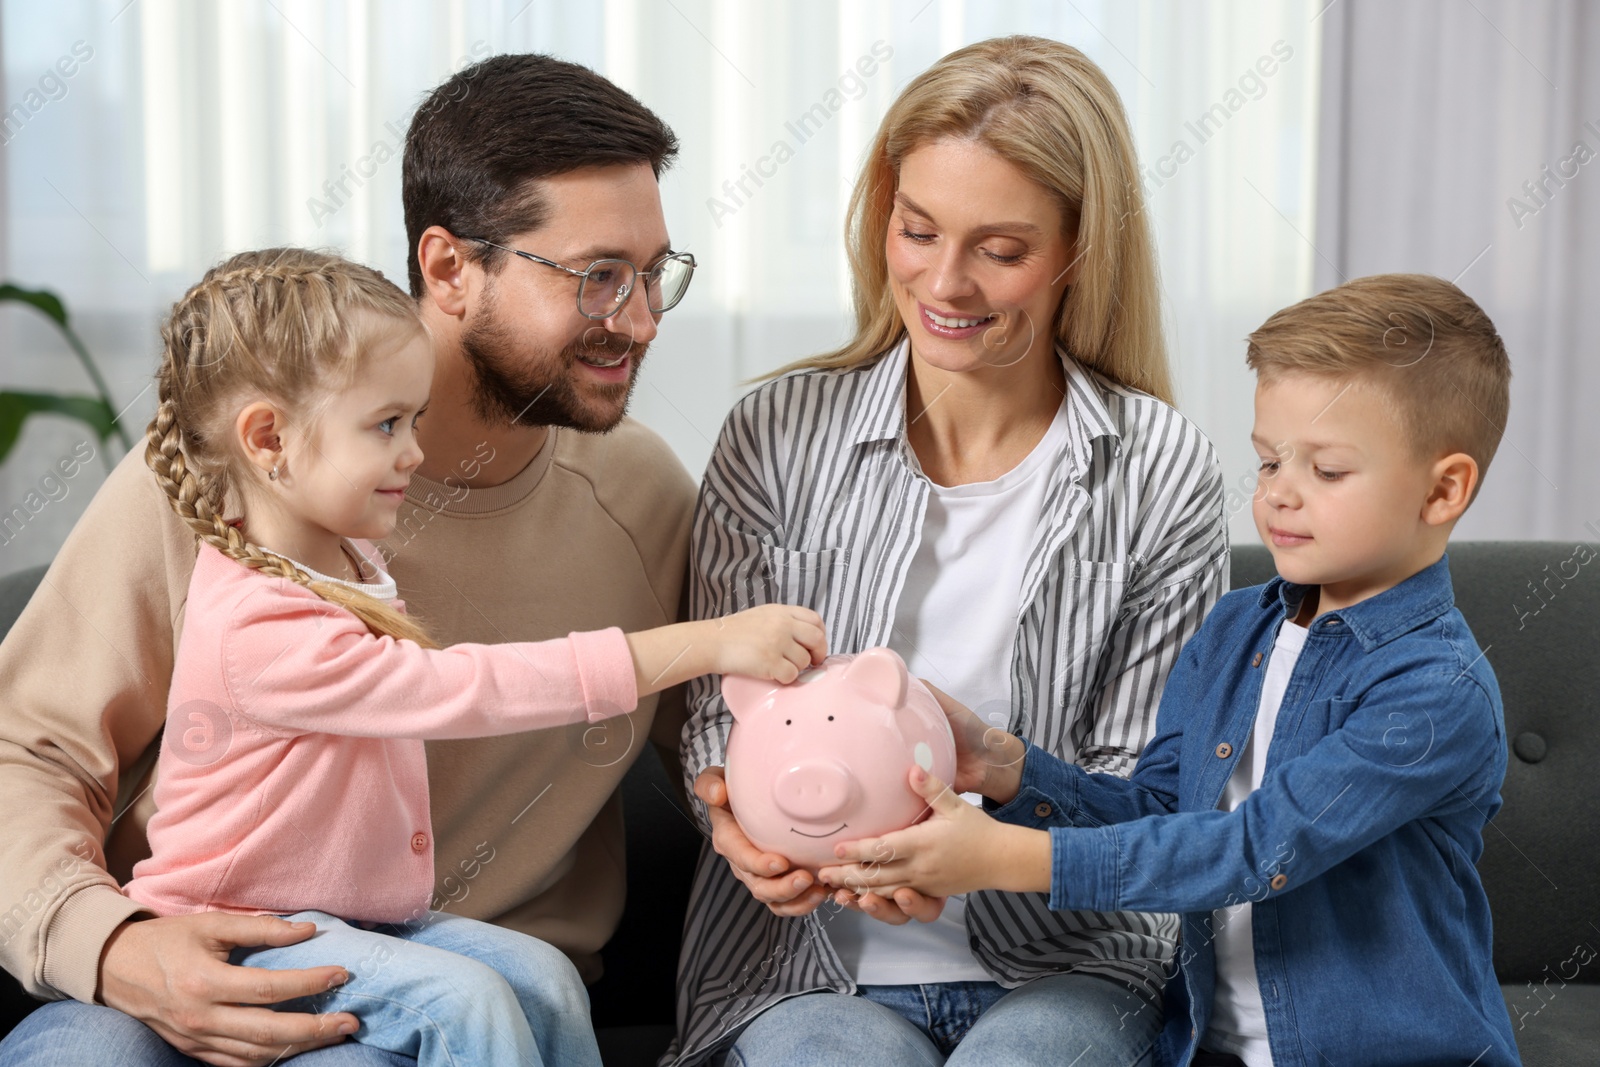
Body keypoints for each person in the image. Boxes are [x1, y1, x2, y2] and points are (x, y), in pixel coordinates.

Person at [0, 53, 702, 1066]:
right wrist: (108, 946)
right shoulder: (237, 471)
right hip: (182, 988)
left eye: (653, 275)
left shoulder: (645, 498)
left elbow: (724, 744)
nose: (638, 320)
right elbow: (28, 745)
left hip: (471, 1002)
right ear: (451, 267)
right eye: (599, 276)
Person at [117, 247, 824, 1067]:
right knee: (470, 1003)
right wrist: (700, 642)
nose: (414, 453)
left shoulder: (336, 558)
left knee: (546, 977)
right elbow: (460, 689)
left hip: (352, 912)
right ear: (269, 438)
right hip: (242, 933)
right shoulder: (256, 622)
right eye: (386, 426)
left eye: (412, 420)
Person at [672, 36, 1226, 1066]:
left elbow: (1152, 785)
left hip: (1072, 959)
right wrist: (736, 822)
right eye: (917, 229)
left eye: (1000, 249)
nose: (945, 281)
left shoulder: (1156, 464)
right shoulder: (776, 432)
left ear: (1078, 251)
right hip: (799, 967)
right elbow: (718, 701)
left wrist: (999, 830)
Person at [819, 274, 1522, 1066]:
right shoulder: (1237, 626)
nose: (1280, 497)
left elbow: (1254, 850)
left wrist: (1004, 857)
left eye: (1325, 471)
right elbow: (1160, 807)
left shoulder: (1434, 691)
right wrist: (1007, 767)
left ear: (1444, 488)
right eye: (1267, 463)